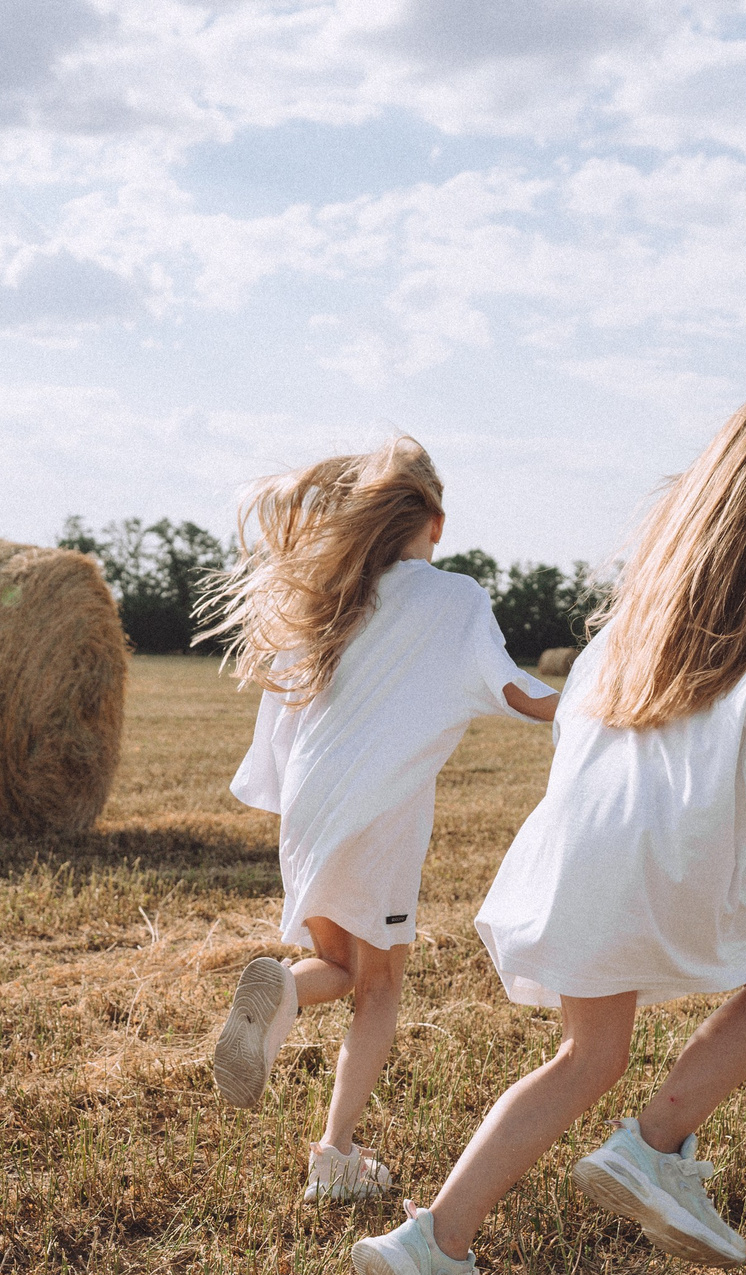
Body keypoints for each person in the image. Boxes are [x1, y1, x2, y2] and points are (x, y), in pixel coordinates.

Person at [349, 386, 746, 1275]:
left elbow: (582, 710)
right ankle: (652, 1148)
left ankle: (431, 1244)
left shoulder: (663, 572)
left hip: (582, 824)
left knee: (585, 1056)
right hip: (676, 833)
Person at [202, 435, 557, 1203]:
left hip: (309, 810)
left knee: (341, 966)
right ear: (435, 521)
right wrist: (596, 709)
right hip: (381, 813)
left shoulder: (333, 596)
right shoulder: (455, 596)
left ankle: (287, 994)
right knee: (382, 984)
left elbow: (285, 722)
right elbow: (515, 690)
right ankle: (333, 1153)